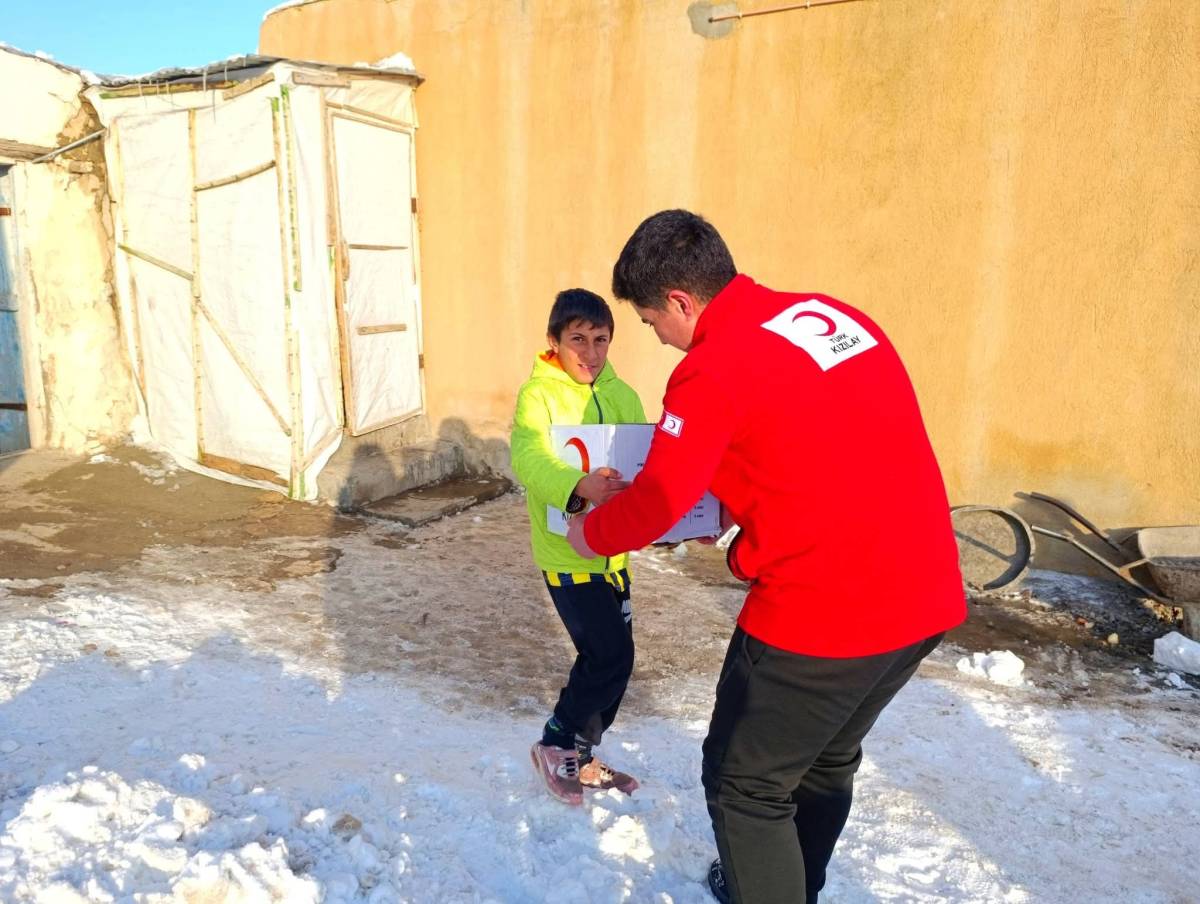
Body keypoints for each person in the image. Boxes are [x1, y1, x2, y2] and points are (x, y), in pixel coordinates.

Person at [566, 210, 966, 902]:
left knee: (744, 785)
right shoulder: (831, 317)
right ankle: (783, 882)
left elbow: (658, 499)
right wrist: (727, 505)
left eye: (651, 321)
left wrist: (589, 533)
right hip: (924, 596)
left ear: (682, 302)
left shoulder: (711, 368)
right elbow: (815, 436)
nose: (657, 338)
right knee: (824, 757)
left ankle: (767, 882)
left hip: (827, 616)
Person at [511, 288, 648, 805]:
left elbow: (644, 461)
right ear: (554, 342)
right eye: (578, 340)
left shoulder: (624, 395)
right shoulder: (538, 397)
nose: (590, 353)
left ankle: (582, 754)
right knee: (606, 654)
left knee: (619, 660)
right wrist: (578, 485)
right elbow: (530, 460)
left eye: (601, 340)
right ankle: (554, 741)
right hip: (568, 556)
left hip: (615, 554)